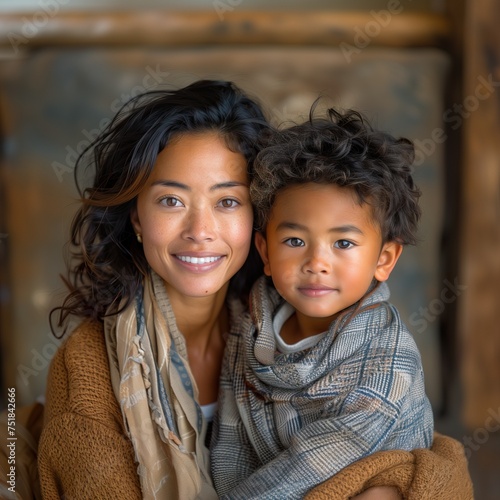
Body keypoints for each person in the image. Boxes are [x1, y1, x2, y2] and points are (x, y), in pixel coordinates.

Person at [37, 80, 473, 500]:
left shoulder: (284, 321)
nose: (200, 232)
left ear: (258, 217)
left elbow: (426, 463)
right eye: (171, 201)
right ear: (136, 218)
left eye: (227, 201)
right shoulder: (90, 371)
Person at [211, 107, 434, 499]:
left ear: (383, 260)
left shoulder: (388, 364)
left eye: (343, 244)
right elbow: (231, 446)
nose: (316, 263)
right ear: (264, 251)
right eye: (294, 241)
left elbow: (305, 472)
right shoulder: (248, 331)